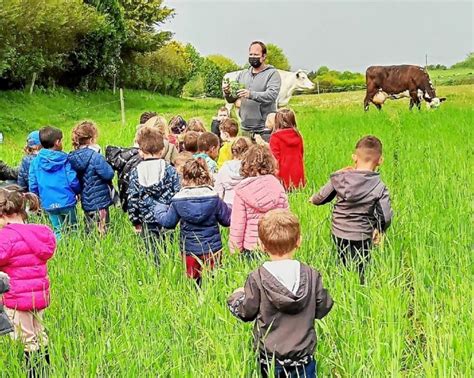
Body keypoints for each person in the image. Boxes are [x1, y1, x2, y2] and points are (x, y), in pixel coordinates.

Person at [227, 209, 333, 378]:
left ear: (261, 245)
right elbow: (323, 308)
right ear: (299, 241)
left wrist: (236, 297)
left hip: (270, 358)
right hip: (303, 358)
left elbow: (246, 312)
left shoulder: (258, 278)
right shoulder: (311, 275)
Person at [310, 135, 393, 284]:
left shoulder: (340, 178)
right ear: (380, 161)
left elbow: (323, 197)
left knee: (343, 261)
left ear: (354, 157)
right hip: (362, 235)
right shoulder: (380, 187)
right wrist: (379, 229)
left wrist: (313, 199)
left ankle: (343, 284)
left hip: (339, 232)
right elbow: (385, 215)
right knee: (362, 266)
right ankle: (360, 287)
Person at [0, 185, 56, 376]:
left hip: (17, 298)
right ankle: (46, 370)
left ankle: (34, 373)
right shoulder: (41, 232)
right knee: (40, 333)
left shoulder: (5, 238)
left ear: (2, 215)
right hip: (39, 295)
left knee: (26, 339)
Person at [153, 158, 231, 285]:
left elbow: (168, 222)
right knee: (213, 281)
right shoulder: (214, 198)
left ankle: (195, 302)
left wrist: (159, 208)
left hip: (190, 250)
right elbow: (227, 220)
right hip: (213, 250)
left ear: (184, 178)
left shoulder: (178, 200)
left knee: (193, 283)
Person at [127, 126, 180, 264]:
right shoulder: (170, 170)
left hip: (147, 220)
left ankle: (155, 272)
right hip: (169, 219)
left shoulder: (136, 172)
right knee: (170, 251)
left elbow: (133, 198)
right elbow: (177, 193)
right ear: (162, 150)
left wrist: (135, 220)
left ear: (141, 152)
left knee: (151, 253)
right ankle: (170, 269)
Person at [229, 145, 288, 256]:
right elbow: (285, 218)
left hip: (251, 246)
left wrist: (235, 250)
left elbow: (238, 224)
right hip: (275, 243)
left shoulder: (242, 190)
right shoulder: (277, 186)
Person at [28, 126, 80, 239]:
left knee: (58, 230)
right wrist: (77, 191)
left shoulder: (35, 162)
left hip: (48, 202)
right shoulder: (65, 159)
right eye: (61, 140)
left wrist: (37, 198)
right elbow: (72, 179)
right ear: (57, 142)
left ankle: (60, 251)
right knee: (73, 228)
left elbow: (33, 184)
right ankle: (76, 248)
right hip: (67, 200)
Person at [223, 41, 281, 138]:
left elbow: (272, 95)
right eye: (251, 54)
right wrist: (228, 93)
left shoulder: (272, 74)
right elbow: (232, 99)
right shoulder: (243, 74)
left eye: (256, 55)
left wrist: (251, 94)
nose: (253, 57)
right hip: (245, 128)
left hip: (265, 129)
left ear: (263, 56)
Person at [68, 121, 115, 235]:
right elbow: (108, 174)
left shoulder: (72, 157)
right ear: (91, 139)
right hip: (100, 200)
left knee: (90, 227)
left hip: (86, 200)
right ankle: (101, 248)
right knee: (102, 229)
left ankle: (90, 244)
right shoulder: (95, 156)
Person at [270, 109, 306, 191]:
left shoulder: (275, 137)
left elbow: (274, 158)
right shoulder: (298, 135)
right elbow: (301, 153)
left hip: (282, 174)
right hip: (298, 172)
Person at [214, 137, 252, 208]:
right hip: (245, 205)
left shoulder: (224, 168)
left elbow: (218, 191)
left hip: (227, 205)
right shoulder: (250, 169)